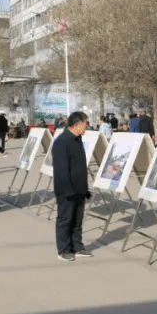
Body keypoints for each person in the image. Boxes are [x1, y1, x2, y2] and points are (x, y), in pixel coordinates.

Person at [53, 111, 92, 262]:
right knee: (65, 219)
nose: (85, 129)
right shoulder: (62, 141)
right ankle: (63, 249)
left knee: (77, 220)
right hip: (66, 190)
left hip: (79, 188)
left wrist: (84, 188)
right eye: (84, 125)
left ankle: (77, 246)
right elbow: (61, 170)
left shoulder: (77, 139)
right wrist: (67, 190)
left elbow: (79, 166)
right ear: (76, 125)